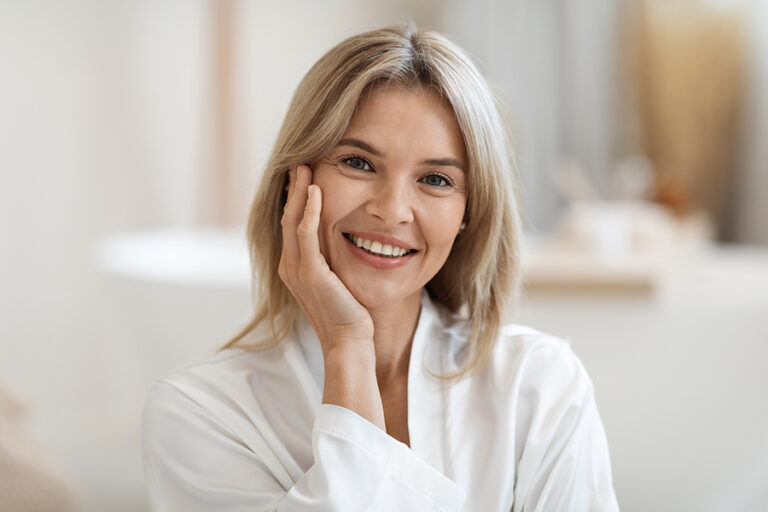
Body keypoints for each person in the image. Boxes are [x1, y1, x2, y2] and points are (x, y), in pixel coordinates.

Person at [141, 25, 619, 511]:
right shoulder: (199, 414)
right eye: (359, 163)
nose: (392, 211)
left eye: (435, 179)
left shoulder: (539, 386)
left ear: (468, 213)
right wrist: (347, 346)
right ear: (296, 182)